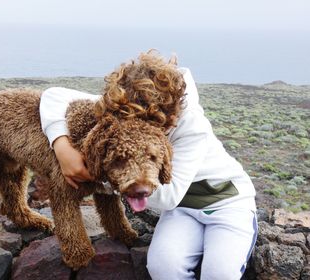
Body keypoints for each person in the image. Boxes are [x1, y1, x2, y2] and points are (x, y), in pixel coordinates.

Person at [39, 52, 257, 280]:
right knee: (163, 268)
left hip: (226, 203)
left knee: (220, 273)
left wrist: (107, 178)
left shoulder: (191, 125)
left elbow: (168, 195)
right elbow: (54, 96)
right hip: (181, 210)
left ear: (170, 114)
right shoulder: (128, 105)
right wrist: (61, 146)